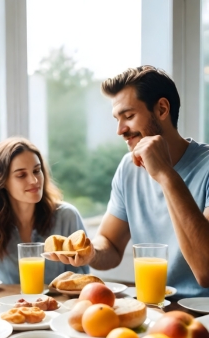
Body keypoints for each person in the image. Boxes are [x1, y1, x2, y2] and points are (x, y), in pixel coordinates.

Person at [51, 65, 209, 299]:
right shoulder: (128, 168)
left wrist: (165, 174)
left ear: (162, 109)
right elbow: (111, 246)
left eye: (129, 116)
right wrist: (91, 253)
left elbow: (205, 270)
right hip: (152, 306)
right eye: (117, 119)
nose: (120, 130)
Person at [0, 137, 89, 284]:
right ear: (2, 181)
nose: (34, 180)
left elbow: (81, 277)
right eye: (21, 175)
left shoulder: (67, 216)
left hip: (58, 306)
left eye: (37, 171)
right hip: (5, 306)